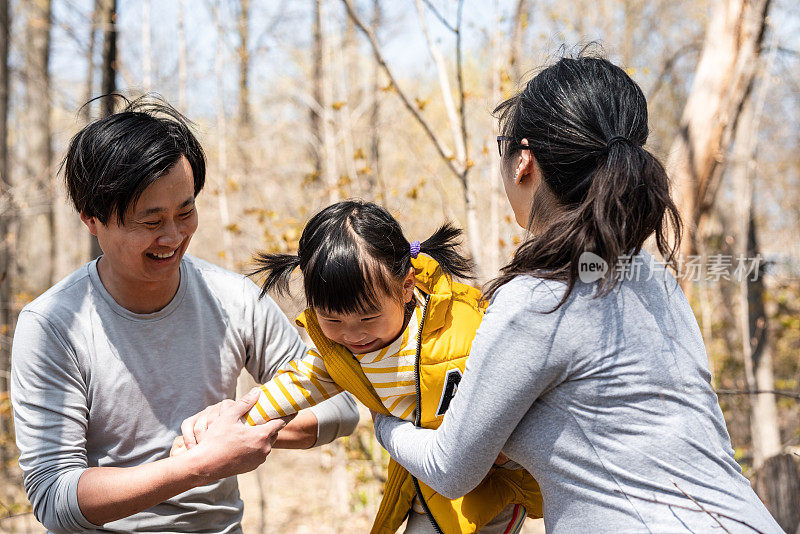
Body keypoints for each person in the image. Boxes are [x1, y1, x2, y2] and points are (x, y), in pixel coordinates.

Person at [372, 54, 783, 533]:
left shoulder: (536, 301)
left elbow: (450, 468)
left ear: (524, 160)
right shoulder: (654, 278)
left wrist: (382, 418)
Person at [10, 97, 359, 534]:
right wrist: (198, 466)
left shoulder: (234, 299)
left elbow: (341, 405)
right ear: (91, 219)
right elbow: (55, 498)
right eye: (150, 220)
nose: (173, 237)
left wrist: (240, 425)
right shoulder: (52, 325)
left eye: (185, 211)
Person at [180, 200, 542, 533]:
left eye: (368, 316)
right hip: (423, 482)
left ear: (405, 287)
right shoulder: (339, 354)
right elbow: (293, 386)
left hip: (491, 481)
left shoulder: (459, 327)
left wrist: (512, 443)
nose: (353, 334)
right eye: (332, 320)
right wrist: (226, 427)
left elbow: (518, 375)